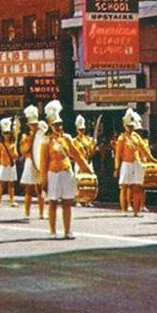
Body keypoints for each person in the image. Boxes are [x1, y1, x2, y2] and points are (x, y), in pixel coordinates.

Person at [40, 101, 92, 239]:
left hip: (66, 171)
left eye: (60, 124)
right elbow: (43, 163)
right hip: (53, 173)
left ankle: (67, 231)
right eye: (56, 124)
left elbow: (76, 155)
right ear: (51, 126)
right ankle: (52, 231)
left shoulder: (67, 138)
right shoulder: (46, 142)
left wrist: (87, 169)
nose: (59, 127)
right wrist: (43, 180)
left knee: (67, 202)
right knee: (52, 202)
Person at [115, 107, 148, 216]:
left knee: (136, 187)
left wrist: (151, 159)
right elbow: (118, 154)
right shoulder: (122, 138)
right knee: (124, 187)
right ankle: (124, 210)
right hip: (126, 163)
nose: (130, 128)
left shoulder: (137, 136)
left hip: (136, 163)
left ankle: (136, 211)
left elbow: (143, 149)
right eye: (128, 126)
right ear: (125, 126)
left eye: (132, 126)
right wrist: (117, 168)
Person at [18, 105, 44, 219]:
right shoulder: (25, 137)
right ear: (28, 125)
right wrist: (31, 139)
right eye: (32, 124)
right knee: (29, 189)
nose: (34, 126)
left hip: (39, 161)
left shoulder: (41, 135)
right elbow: (23, 151)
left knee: (40, 188)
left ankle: (42, 213)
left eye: (35, 124)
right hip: (29, 162)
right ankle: (26, 213)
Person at [0, 117, 18, 207]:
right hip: (3, 165)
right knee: (1, 183)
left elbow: (16, 155)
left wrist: (14, 153)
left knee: (11, 183)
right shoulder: (0, 144)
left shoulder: (13, 143)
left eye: (7, 133)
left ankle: (11, 200)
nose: (6, 135)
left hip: (11, 165)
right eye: (5, 133)